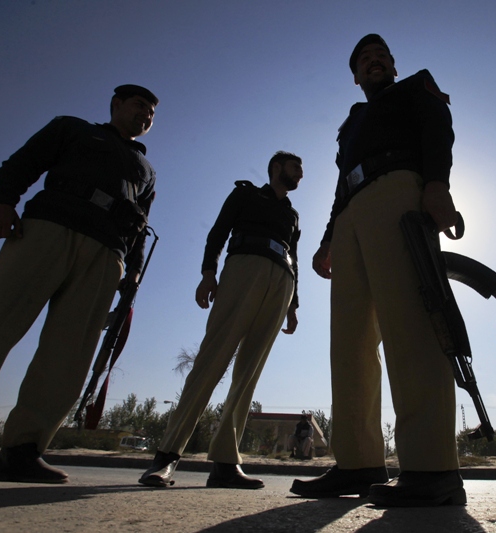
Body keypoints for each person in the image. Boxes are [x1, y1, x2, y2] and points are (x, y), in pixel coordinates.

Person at [289, 34, 464, 507]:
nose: (374, 62)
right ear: (355, 73)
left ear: (392, 64)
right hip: (351, 214)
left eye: (381, 56)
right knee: (349, 345)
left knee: (410, 326)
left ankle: (432, 468)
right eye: (365, 59)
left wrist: (436, 186)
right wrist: (329, 237)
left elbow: (437, 129)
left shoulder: (415, 89)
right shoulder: (350, 122)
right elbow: (341, 181)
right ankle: (358, 462)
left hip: (397, 191)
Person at [0, 84, 159, 484]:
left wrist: (134, 269)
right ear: (115, 105)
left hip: (106, 251)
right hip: (49, 228)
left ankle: (23, 449)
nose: (145, 115)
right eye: (139, 105)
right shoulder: (74, 129)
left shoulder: (146, 170)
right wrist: (2, 200)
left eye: (151, 113)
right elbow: (24, 161)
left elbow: (142, 226)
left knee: (69, 353)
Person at [138, 151, 302, 490]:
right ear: (276, 168)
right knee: (212, 360)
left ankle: (226, 463)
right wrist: (208, 273)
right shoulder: (245, 194)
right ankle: (166, 456)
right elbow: (219, 231)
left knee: (249, 373)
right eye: (295, 167)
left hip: (281, 280)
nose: (300, 173)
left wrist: (293, 305)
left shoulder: (293, 214)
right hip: (244, 267)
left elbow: (294, 257)